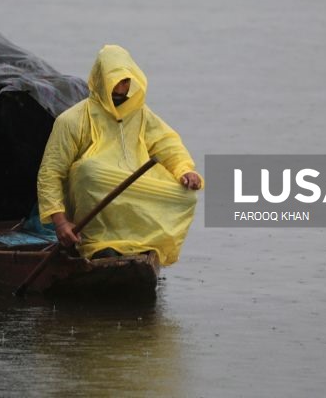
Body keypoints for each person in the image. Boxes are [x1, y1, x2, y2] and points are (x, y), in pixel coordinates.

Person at [37, 45, 203, 265]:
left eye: (125, 82)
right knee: (89, 171)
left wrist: (185, 171)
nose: (120, 88)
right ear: (99, 80)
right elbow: (50, 172)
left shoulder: (141, 115)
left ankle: (140, 241)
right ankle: (97, 245)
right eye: (113, 82)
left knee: (187, 195)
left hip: (132, 187)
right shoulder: (71, 120)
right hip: (88, 204)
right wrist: (61, 224)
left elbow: (167, 145)